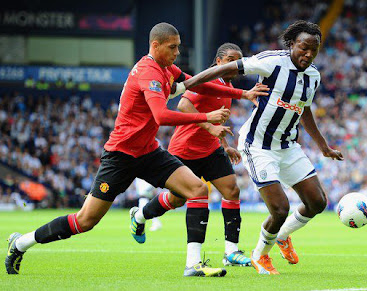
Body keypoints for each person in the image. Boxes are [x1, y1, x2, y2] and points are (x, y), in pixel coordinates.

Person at [5, 22, 269, 277]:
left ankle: (193, 265)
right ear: (156, 46)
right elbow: (162, 116)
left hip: (148, 151)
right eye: (173, 48)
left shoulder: (167, 68)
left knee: (197, 189)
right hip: (120, 156)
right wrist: (205, 117)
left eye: (178, 47)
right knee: (85, 221)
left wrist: (242, 94)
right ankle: (21, 243)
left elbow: (195, 82)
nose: (177, 53)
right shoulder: (149, 72)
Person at [173, 20, 344, 275]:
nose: (308, 54)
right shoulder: (272, 61)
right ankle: (260, 255)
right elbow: (226, 68)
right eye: (303, 48)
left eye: (313, 51)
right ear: (291, 45)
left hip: (287, 146)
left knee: (317, 202)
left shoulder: (313, 76)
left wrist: (323, 147)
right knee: (280, 208)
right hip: (258, 146)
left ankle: (283, 236)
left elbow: (305, 110)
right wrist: (185, 84)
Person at [141, 43, 252, 271]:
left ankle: (231, 251)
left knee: (232, 190)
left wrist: (225, 145)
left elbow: (217, 121)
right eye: (231, 60)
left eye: (238, 62)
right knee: (177, 199)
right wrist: (210, 129)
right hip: (185, 149)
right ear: (219, 61)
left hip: (211, 150)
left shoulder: (226, 87)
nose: (236, 66)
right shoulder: (208, 81)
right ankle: (141, 215)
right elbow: (183, 103)